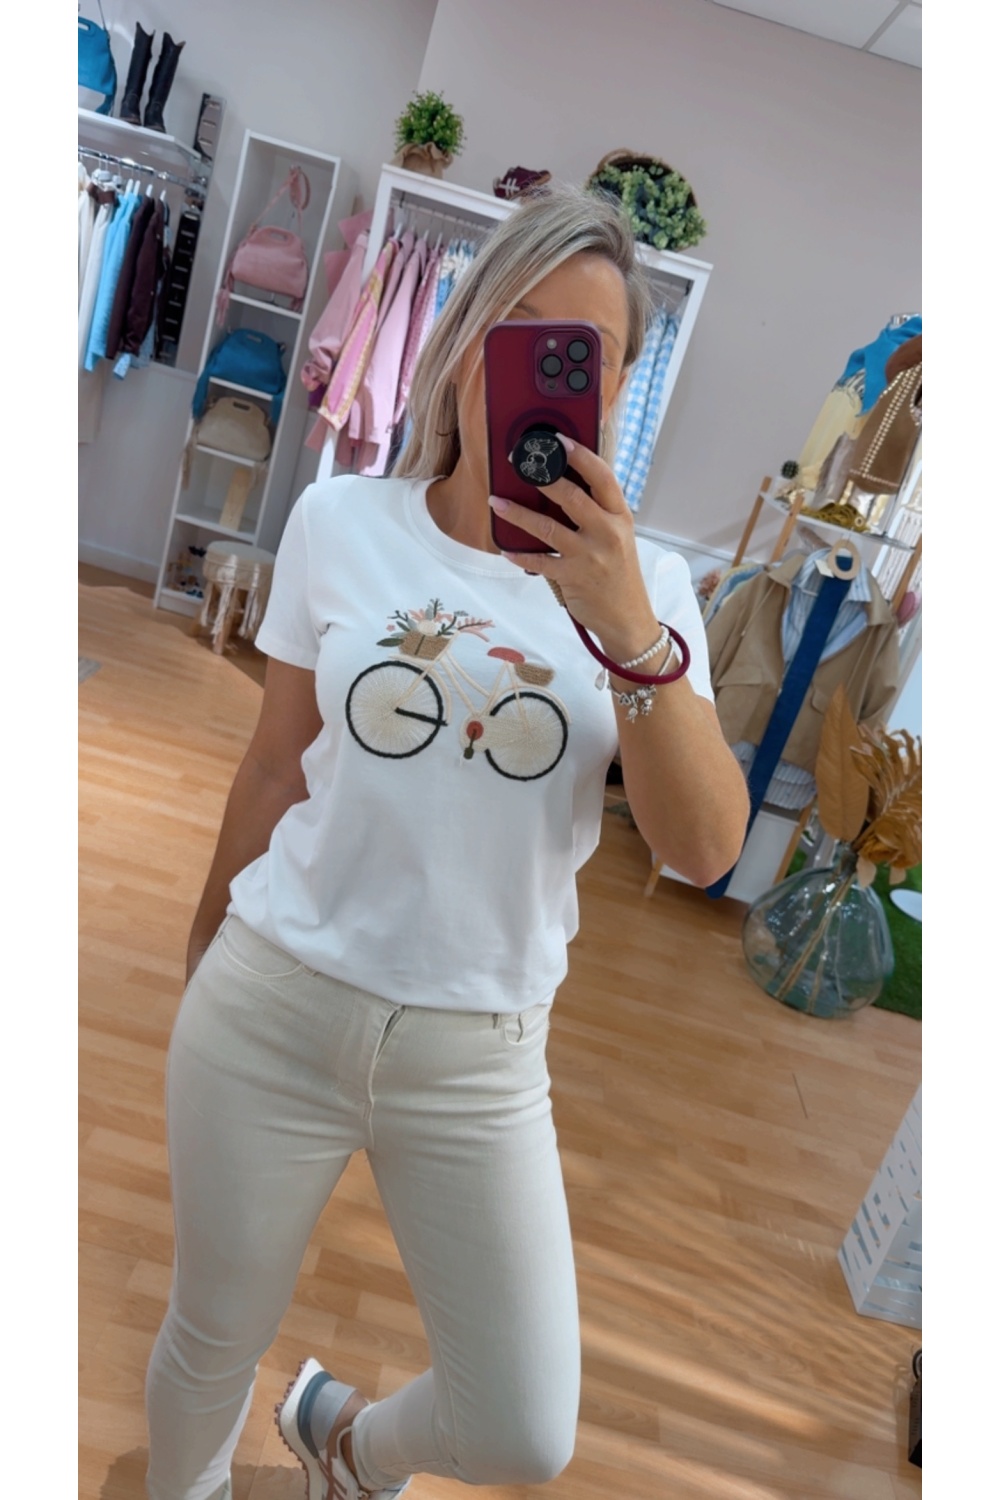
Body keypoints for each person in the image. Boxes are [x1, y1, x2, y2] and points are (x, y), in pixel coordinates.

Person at [145, 183, 749, 1500]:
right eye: (521, 333)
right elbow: (273, 764)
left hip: (480, 1051)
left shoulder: (653, 593)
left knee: (524, 1431)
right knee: (211, 1337)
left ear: (619, 388)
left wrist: (628, 633)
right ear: (466, 340)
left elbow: (705, 850)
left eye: (584, 355)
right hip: (276, 998)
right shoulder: (341, 521)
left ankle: (348, 1448)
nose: (546, 375)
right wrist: (203, 953)